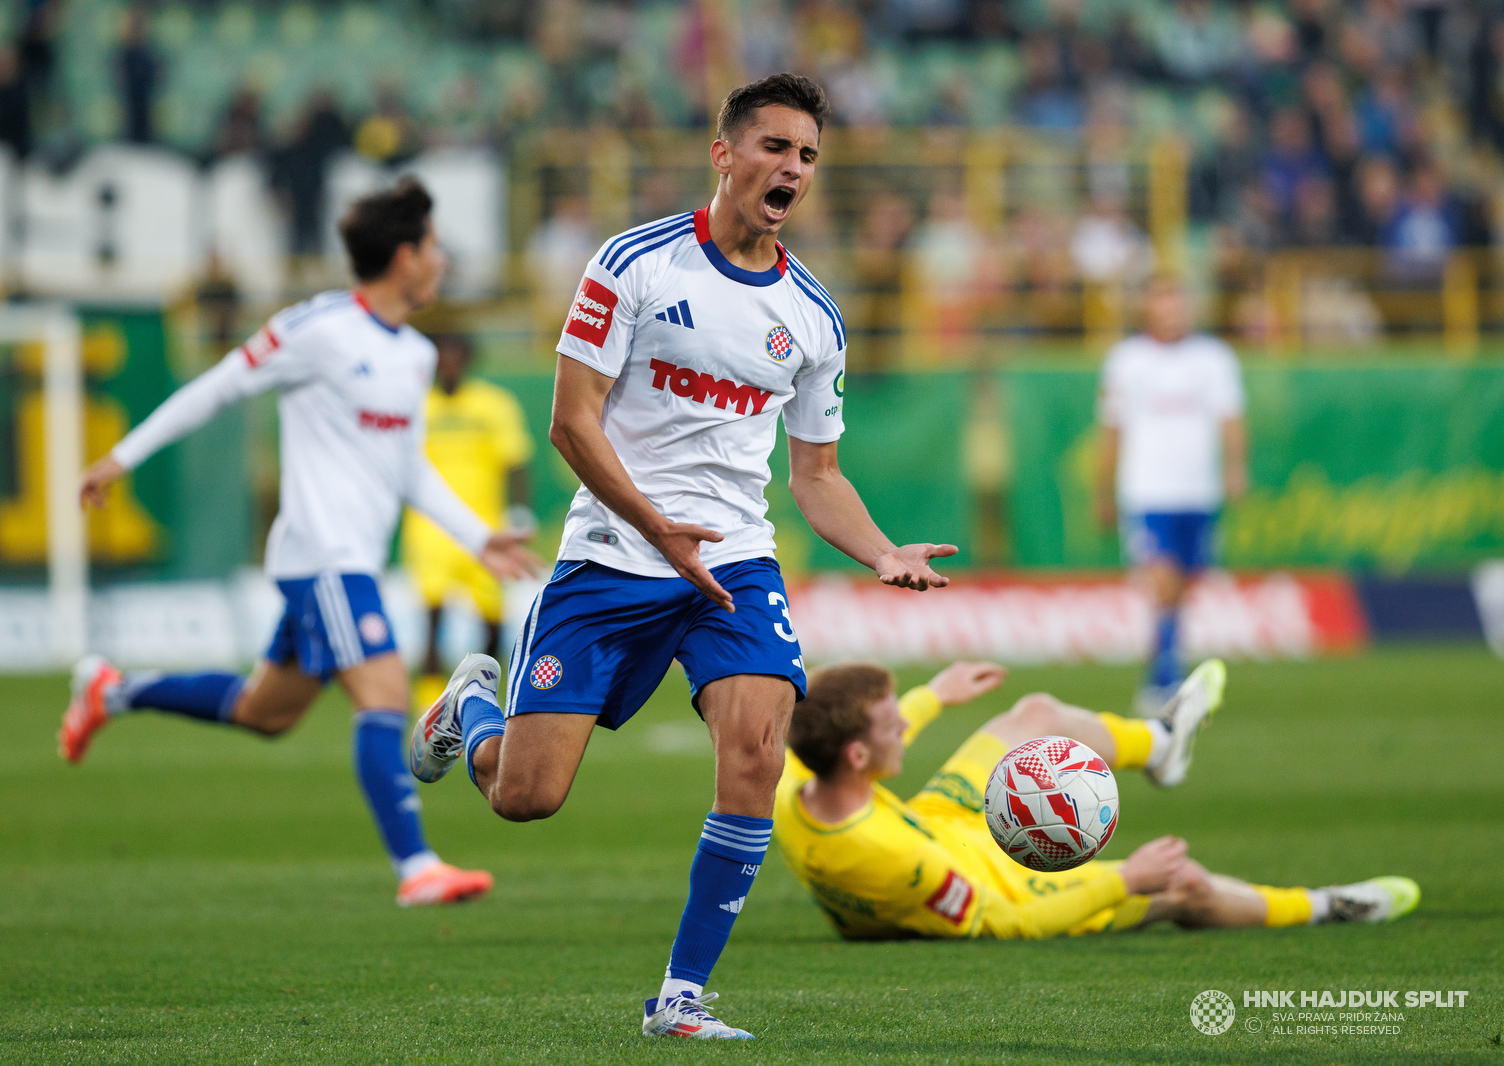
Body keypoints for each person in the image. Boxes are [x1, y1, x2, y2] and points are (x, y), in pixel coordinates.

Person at [410, 73, 957, 1040]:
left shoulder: (816, 318)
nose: (793, 168)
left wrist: (878, 553)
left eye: (808, 157)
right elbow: (571, 425)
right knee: (525, 798)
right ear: (725, 155)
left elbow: (817, 475)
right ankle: (475, 705)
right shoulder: (634, 264)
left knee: (756, 753)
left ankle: (681, 998)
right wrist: (657, 526)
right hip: (614, 554)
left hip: (735, 564)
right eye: (776, 147)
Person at [58, 178, 538, 908]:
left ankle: (111, 690)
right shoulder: (316, 329)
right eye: (435, 246)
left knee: (266, 712)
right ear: (405, 256)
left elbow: (406, 463)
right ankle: (417, 866)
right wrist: (121, 457)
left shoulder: (411, 355)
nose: (443, 260)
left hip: (345, 560)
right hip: (322, 557)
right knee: (382, 688)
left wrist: (478, 537)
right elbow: (217, 386)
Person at [776, 658, 1419, 941]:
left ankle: (1161, 743)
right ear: (858, 757)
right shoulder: (892, 860)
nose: (906, 734)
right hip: (1002, 882)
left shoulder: (794, 785)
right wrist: (1127, 881)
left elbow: (836, 736)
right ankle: (1325, 907)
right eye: (894, 728)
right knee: (1183, 884)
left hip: (938, 825)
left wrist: (932, 695)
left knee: (1035, 713)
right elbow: (1009, 923)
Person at [1094, 274, 1247, 716]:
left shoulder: (1214, 358)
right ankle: (1163, 682)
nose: (1173, 311)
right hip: (1147, 491)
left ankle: (1163, 667)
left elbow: (1231, 418)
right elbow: (1112, 429)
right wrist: (1103, 490)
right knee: (1162, 580)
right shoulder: (1126, 360)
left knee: (1181, 587)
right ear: (1148, 308)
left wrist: (1236, 469)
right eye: (1164, 302)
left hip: (1199, 491)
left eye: (1179, 301)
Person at [401, 331, 535, 713]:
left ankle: (482, 696)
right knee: (432, 619)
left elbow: (516, 461)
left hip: (485, 530)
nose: (449, 362)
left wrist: (518, 513)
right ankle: (429, 705)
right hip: (429, 531)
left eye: (456, 352)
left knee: (492, 622)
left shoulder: (493, 406)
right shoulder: (416, 407)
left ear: (469, 357)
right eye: (441, 354)